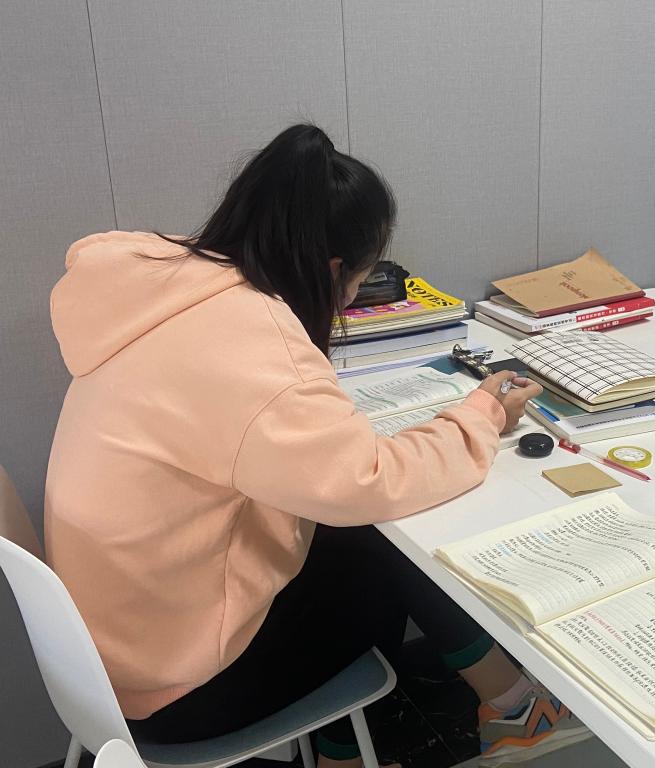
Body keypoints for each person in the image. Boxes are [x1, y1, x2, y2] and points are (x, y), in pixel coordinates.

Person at [45, 124, 587, 767]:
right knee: (386, 546)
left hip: (107, 655)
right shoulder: (249, 341)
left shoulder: (167, 290)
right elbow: (369, 481)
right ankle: (518, 709)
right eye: (361, 280)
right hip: (176, 692)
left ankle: (397, 738)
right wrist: (484, 415)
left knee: (349, 535)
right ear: (334, 270)